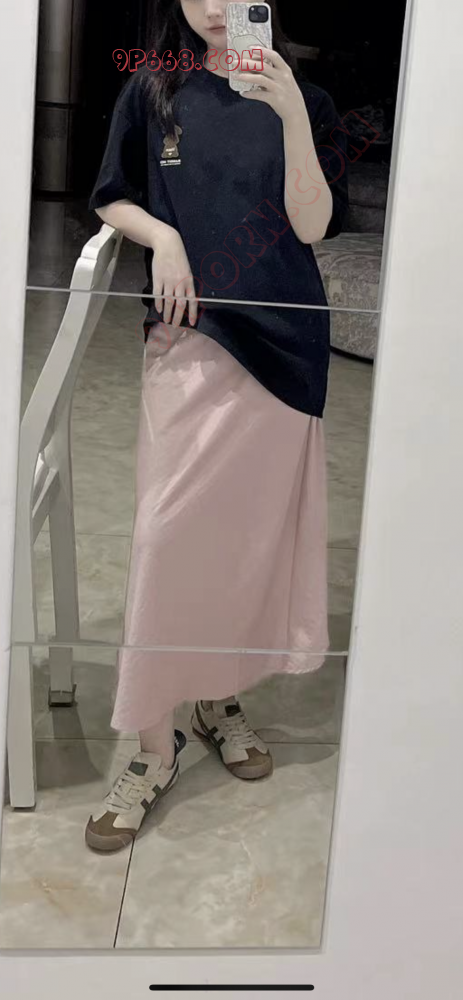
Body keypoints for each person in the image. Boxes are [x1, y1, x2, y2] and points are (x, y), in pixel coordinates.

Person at [85, 0, 348, 853]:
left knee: (244, 545)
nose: (211, 4)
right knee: (166, 537)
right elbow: (110, 195)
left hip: (284, 345)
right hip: (190, 336)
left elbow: (312, 224)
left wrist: (291, 112)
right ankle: (151, 746)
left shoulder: (307, 97)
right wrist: (162, 236)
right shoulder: (153, 88)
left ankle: (217, 696)